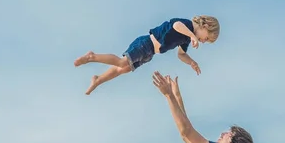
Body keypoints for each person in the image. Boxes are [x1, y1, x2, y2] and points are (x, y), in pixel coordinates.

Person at [73, 15, 220, 95]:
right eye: (207, 38)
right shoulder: (187, 25)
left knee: (124, 69)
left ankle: (98, 79)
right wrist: (193, 36)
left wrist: (192, 62)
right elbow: (176, 26)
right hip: (145, 44)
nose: (204, 41)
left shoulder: (187, 39)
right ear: (205, 26)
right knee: (121, 62)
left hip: (150, 53)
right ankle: (92, 56)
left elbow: (181, 54)